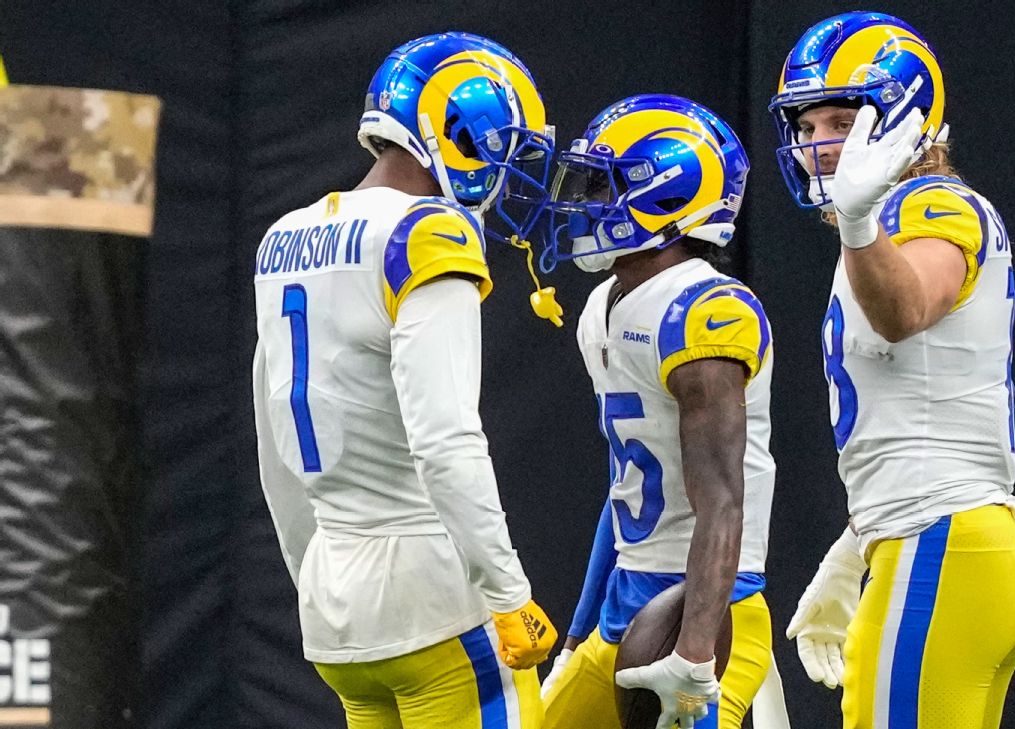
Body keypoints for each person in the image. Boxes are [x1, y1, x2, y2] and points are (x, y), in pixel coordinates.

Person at [767, 12, 1015, 729]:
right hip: (939, 539)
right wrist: (855, 545)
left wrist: (862, 223)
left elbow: (906, 310)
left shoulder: (929, 205)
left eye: (840, 120)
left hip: (942, 541)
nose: (818, 145)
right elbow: (915, 412)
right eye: (806, 128)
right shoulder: (890, 217)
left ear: (903, 118)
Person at [251, 32, 558, 728]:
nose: (508, 173)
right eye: (502, 148)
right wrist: (507, 593)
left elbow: (274, 445)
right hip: (433, 590)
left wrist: (321, 577)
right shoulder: (426, 232)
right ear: (460, 132)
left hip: (335, 601)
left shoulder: (284, 237)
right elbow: (445, 438)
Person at [534, 94, 776, 729]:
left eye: (601, 186)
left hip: (706, 610)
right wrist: (577, 637)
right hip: (626, 600)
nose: (583, 203)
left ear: (667, 197)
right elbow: (623, 492)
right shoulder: (603, 305)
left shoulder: (703, 309)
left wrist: (694, 656)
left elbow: (724, 501)